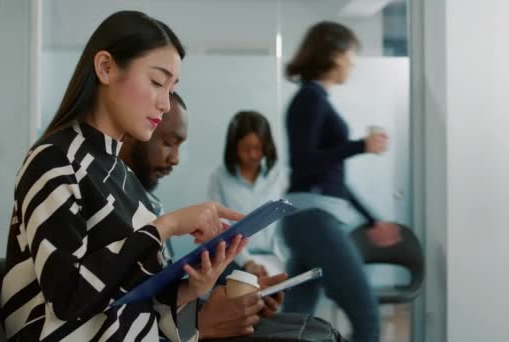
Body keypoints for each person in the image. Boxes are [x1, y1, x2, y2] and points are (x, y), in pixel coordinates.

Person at [1, 11, 248, 342]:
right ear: (105, 67)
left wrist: (192, 287)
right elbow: (68, 300)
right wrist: (166, 226)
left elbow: (127, 295)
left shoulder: (125, 177)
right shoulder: (54, 159)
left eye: (172, 88)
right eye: (158, 82)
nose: (164, 103)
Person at [119, 93, 288, 340]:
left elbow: (159, 300)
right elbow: (120, 314)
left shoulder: (151, 204)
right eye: (168, 142)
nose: (175, 159)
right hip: (240, 262)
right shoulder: (106, 199)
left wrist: (202, 297)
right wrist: (201, 323)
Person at [281, 21, 401, 342]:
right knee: (368, 318)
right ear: (332, 54)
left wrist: (373, 218)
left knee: (293, 324)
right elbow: (304, 162)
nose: (353, 62)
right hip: (313, 221)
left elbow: (331, 178)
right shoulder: (311, 98)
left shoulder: (315, 99)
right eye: (350, 53)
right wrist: (362, 145)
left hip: (309, 218)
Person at [208, 111, 288, 277]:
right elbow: (220, 228)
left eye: (258, 148)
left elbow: (287, 224)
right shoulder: (219, 178)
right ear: (234, 147)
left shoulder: (279, 176)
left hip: (276, 257)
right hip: (235, 259)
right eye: (246, 148)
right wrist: (248, 263)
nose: (253, 155)